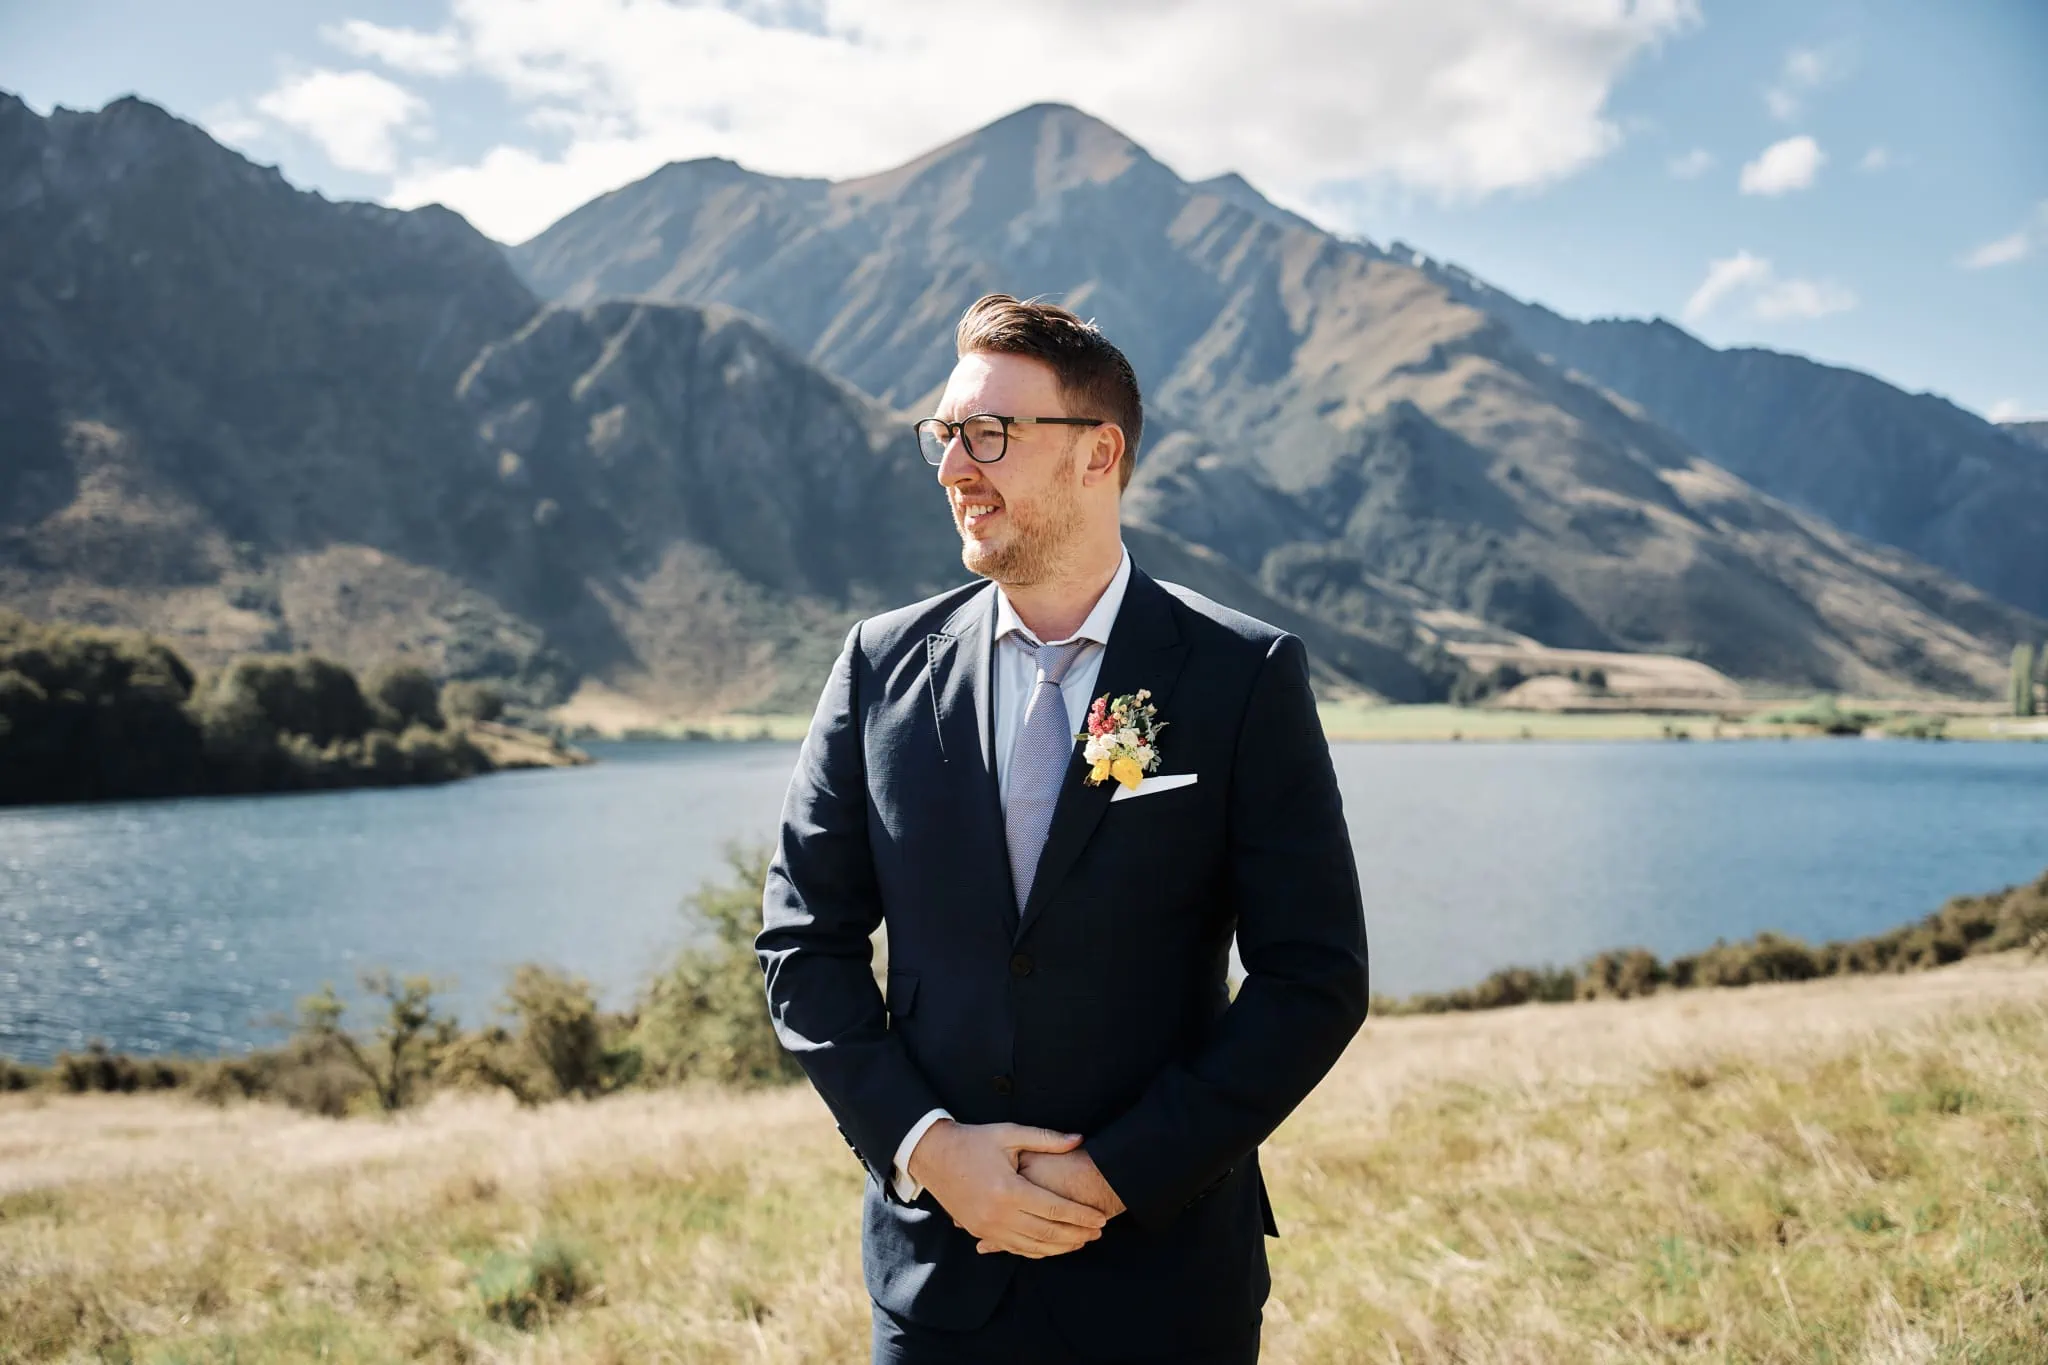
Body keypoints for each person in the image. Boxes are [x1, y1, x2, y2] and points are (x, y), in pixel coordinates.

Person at [758, 294, 1369, 1363]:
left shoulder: (1239, 676)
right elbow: (801, 946)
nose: (954, 467)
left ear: (1099, 454)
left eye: (988, 434)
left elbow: (1310, 977)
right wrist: (929, 1149)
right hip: (939, 1280)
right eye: (943, 436)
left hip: (1165, 1280)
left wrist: (1117, 1175)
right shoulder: (875, 668)